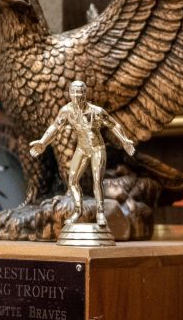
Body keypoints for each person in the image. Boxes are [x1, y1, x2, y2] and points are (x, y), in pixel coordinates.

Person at [29, 80, 136, 226]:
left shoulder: (96, 111)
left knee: (97, 180)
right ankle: (78, 210)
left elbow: (114, 124)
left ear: (85, 94)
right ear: (70, 94)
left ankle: (100, 213)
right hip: (82, 148)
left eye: (80, 93)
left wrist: (124, 140)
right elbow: (55, 127)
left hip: (97, 148)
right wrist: (43, 142)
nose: (77, 96)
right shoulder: (67, 111)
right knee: (72, 180)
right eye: (73, 93)